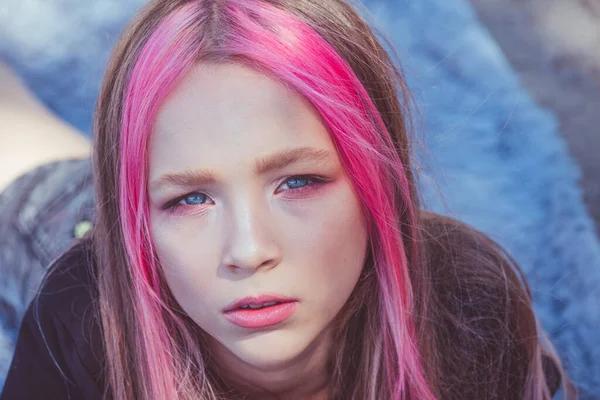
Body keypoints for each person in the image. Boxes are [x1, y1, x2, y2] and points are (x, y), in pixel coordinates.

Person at [0, 0, 576, 398]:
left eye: (297, 182)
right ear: (135, 222)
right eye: (190, 199)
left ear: (379, 183)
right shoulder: (81, 318)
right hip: (56, 222)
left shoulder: (473, 306)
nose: (248, 250)